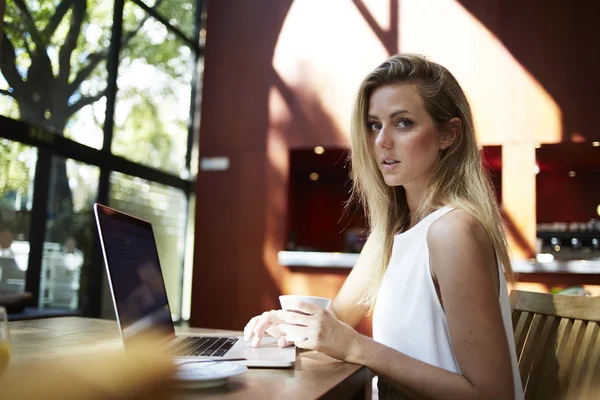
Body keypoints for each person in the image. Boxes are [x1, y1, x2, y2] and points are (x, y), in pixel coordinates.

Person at [244, 54, 523, 399]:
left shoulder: (453, 231)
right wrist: (289, 326)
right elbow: (337, 320)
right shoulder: (391, 234)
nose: (382, 141)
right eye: (375, 125)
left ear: (448, 134)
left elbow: (493, 394)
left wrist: (357, 348)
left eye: (403, 123)